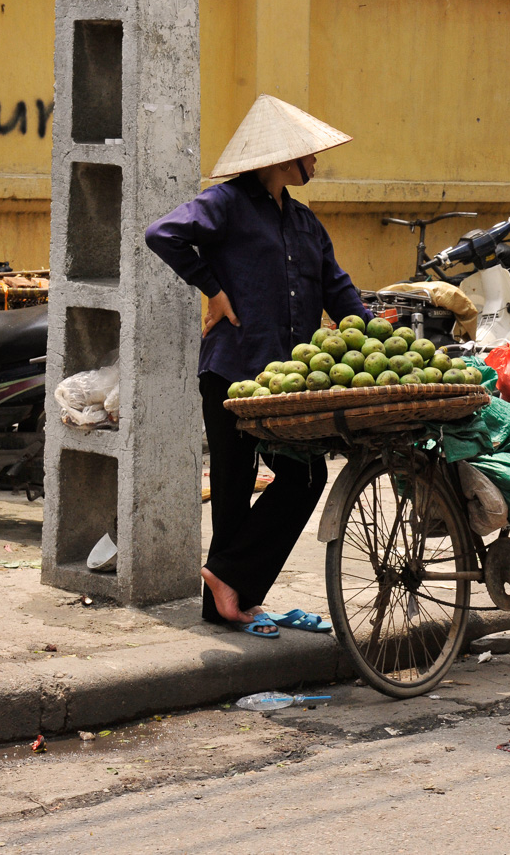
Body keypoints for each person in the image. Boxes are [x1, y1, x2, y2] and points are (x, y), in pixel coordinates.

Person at [145, 95, 367, 639]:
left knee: (305, 474)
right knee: (232, 482)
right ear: (280, 159)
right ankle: (225, 600)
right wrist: (214, 292)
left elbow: (337, 289)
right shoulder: (225, 204)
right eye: (307, 156)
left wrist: (379, 334)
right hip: (232, 369)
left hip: (287, 380)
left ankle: (226, 579)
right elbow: (162, 234)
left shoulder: (304, 222)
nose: (315, 164)